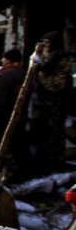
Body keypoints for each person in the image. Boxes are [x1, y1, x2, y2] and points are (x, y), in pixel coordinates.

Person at [30, 31, 73, 168]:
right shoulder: (59, 55)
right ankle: (52, 158)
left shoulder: (58, 55)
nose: (46, 45)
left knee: (52, 129)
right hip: (54, 96)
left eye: (48, 42)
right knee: (54, 129)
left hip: (54, 96)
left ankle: (50, 160)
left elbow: (46, 69)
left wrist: (37, 59)